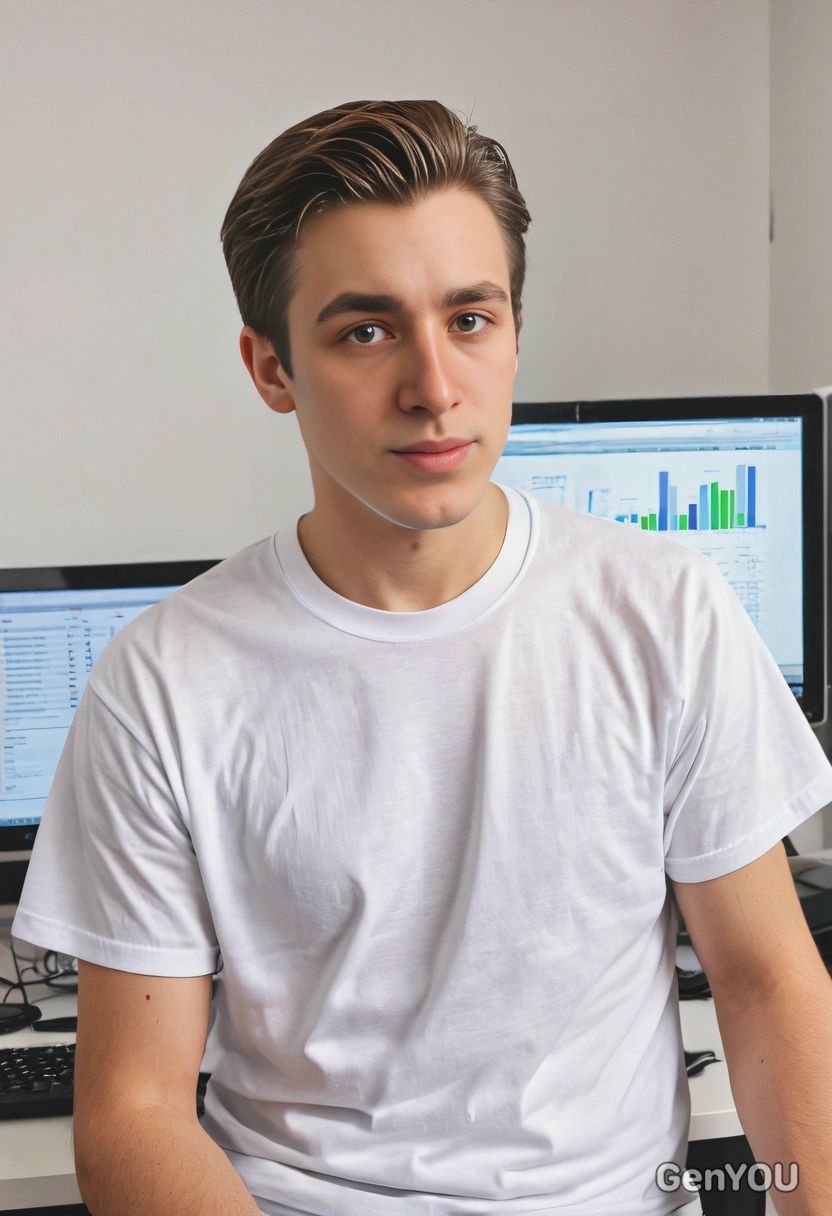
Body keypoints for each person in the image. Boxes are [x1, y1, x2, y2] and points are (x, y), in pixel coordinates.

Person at [12, 99, 832, 1216]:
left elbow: (767, 980)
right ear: (270, 368)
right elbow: (131, 1115)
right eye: (366, 331)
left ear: (515, 331)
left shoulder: (665, 611)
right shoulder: (162, 683)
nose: (435, 387)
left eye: (470, 318)